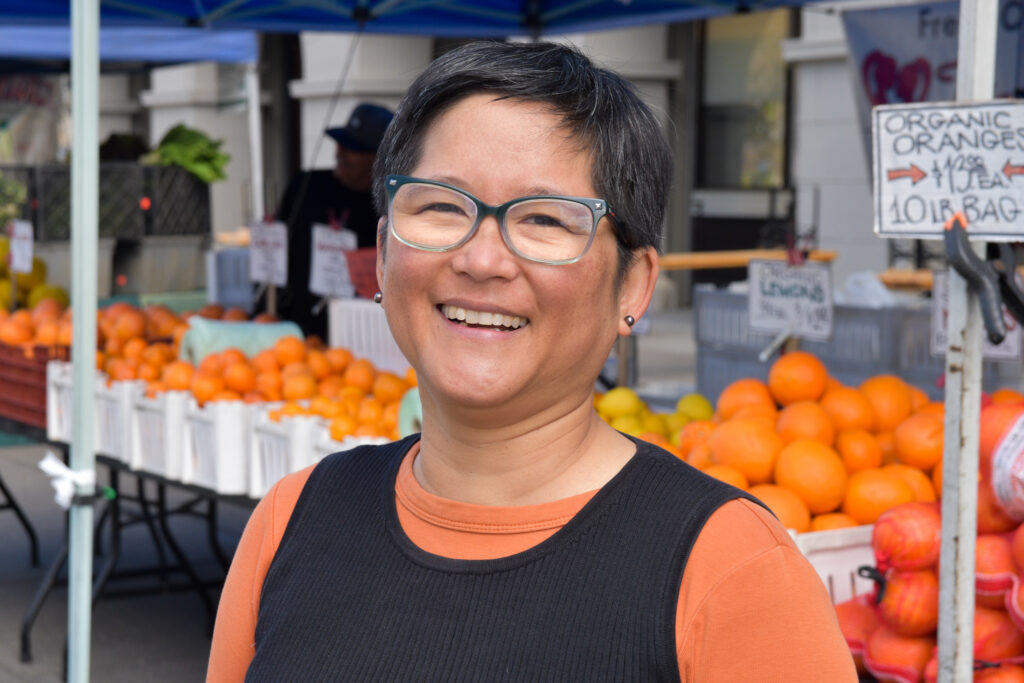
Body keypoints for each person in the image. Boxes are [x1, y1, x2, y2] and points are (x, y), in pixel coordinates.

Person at [208, 42, 857, 682]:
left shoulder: (731, 570)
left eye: (545, 218)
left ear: (633, 284)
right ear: (382, 253)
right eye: (440, 206)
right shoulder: (292, 519)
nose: (481, 258)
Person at [268, 102, 393, 339]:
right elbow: (276, 249)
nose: (340, 153)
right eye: (341, 143)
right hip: (296, 333)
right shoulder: (305, 186)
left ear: (379, 158)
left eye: (353, 148)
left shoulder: (391, 207)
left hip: (361, 336)